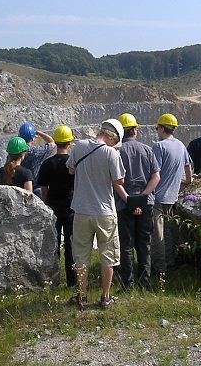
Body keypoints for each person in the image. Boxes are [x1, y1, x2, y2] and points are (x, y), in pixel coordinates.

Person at [66, 118, 126, 309]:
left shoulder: (79, 146)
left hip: (82, 209)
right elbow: (119, 181)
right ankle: (105, 297)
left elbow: (71, 170)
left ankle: (81, 297)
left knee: (81, 255)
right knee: (108, 255)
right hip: (105, 211)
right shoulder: (112, 154)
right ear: (113, 137)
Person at [115, 113, 160, 291]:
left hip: (123, 202)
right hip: (146, 203)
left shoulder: (116, 152)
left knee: (126, 245)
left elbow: (114, 180)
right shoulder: (147, 150)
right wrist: (142, 197)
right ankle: (145, 282)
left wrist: (129, 199)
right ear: (135, 130)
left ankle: (127, 284)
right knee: (144, 243)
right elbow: (156, 177)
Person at [151, 113, 193, 276]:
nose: (156, 131)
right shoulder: (181, 146)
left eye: (157, 128)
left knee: (158, 235)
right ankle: (171, 261)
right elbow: (188, 174)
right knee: (168, 233)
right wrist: (181, 181)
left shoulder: (159, 147)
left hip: (159, 198)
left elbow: (155, 173)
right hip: (173, 198)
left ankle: (159, 269)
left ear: (162, 128)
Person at [38, 125, 78, 288]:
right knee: (71, 245)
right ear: (69, 143)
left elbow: (44, 190)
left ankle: (53, 281)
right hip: (71, 207)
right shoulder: (73, 164)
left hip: (53, 207)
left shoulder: (47, 164)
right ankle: (72, 281)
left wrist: (48, 203)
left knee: (53, 245)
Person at [18, 122, 55, 198]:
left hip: (17, 186)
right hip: (34, 188)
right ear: (32, 138)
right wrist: (39, 132)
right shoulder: (36, 151)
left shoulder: (15, 150)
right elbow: (52, 142)